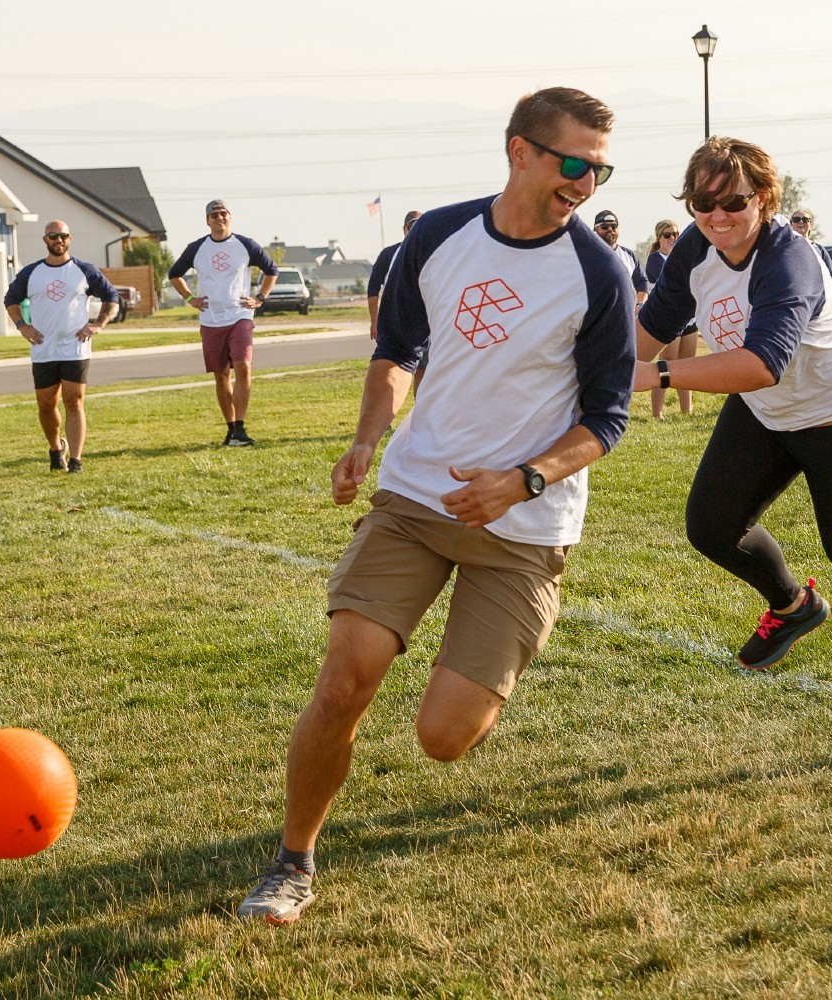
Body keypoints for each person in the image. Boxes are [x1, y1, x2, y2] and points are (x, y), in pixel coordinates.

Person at [238, 86, 635, 925]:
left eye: (601, 169)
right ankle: (293, 861)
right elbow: (398, 351)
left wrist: (523, 478)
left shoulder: (600, 273)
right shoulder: (439, 234)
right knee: (345, 680)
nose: (587, 183)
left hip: (524, 525)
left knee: (444, 738)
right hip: (417, 495)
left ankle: (486, 674)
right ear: (519, 151)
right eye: (574, 163)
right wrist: (367, 438)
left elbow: (608, 417)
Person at [633, 135, 832, 759]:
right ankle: (795, 606)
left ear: (766, 200)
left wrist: (658, 377)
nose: (717, 217)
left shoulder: (789, 259)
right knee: (711, 526)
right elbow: (648, 332)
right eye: (701, 202)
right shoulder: (696, 247)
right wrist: (587, 371)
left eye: (734, 202)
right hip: (771, 411)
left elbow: (761, 363)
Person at [3, 220, 120, 475]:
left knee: (74, 401)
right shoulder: (31, 273)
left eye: (63, 236)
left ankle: (76, 461)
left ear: (70, 238)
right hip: (43, 348)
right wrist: (22, 326)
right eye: (53, 236)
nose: (58, 240)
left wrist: (98, 324)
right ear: (45, 240)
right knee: (46, 404)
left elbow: (111, 297)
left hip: (75, 347)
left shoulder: (84, 270)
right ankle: (56, 448)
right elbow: (11, 299)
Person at [168, 200, 279, 446]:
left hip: (240, 315)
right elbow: (174, 274)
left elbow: (271, 270)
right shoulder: (197, 248)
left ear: (230, 217)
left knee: (244, 366)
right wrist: (189, 298)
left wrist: (260, 297)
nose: (219, 218)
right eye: (214, 215)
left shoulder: (245, 245)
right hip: (211, 319)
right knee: (221, 374)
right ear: (207, 220)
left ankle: (240, 427)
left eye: (223, 214)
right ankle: (231, 430)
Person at [643, 218, 698, 418]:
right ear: (659, 238)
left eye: (676, 234)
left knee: (687, 363)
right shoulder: (656, 260)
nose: (673, 238)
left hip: (690, 319)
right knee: (666, 363)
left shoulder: (684, 257)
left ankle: (686, 410)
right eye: (668, 235)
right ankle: (657, 412)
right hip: (669, 319)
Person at [367, 211, 421, 341]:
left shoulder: (432, 255)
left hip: (422, 324)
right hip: (393, 322)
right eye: (410, 228)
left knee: (427, 361)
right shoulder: (388, 255)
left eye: (418, 227)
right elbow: (373, 287)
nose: (414, 232)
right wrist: (375, 321)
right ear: (404, 230)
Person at [592, 210, 649, 310]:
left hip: (625, 316)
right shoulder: (587, 254)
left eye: (614, 226)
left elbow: (642, 281)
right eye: (605, 227)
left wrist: (640, 304)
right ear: (595, 229)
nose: (610, 229)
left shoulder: (628, 255)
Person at [788, 208, 832, 281]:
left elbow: (831, 277)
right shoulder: (784, 249)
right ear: (790, 225)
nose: (801, 222)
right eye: (796, 219)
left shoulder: (819, 250)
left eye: (805, 219)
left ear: (811, 225)